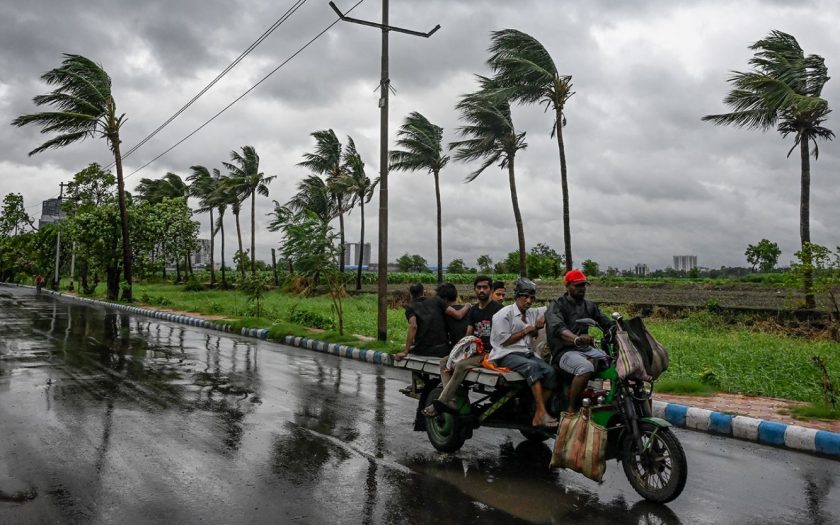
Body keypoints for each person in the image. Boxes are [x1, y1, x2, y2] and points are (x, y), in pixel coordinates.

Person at [425, 275, 503, 416]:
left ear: (491, 290)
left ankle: (441, 402)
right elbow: (469, 334)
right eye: (478, 287)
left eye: (485, 287)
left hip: (490, 352)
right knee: (445, 362)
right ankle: (451, 400)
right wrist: (459, 351)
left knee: (460, 366)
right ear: (474, 289)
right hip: (475, 350)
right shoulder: (473, 310)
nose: (481, 290)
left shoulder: (498, 310)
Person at [489, 278, 558, 428]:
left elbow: (552, 307)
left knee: (551, 372)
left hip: (526, 353)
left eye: (532, 298)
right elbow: (503, 341)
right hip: (506, 355)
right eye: (525, 297)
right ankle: (541, 413)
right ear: (517, 296)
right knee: (532, 367)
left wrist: (544, 319)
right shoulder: (503, 314)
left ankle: (536, 411)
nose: (528, 301)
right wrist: (526, 330)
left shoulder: (532, 313)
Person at [545, 269, 614, 413]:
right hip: (564, 351)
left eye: (583, 285)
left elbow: (605, 322)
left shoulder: (589, 305)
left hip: (585, 350)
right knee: (585, 368)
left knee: (614, 364)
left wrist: (621, 329)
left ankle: (613, 401)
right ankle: (571, 409)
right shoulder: (557, 305)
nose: (582, 288)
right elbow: (558, 328)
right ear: (567, 286)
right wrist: (576, 339)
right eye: (577, 285)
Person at [396, 282, 470, 361]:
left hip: (422, 350)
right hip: (442, 350)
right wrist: (467, 306)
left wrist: (405, 351)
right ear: (423, 292)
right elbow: (458, 315)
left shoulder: (410, 308)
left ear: (411, 294)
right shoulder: (437, 301)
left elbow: (413, 326)